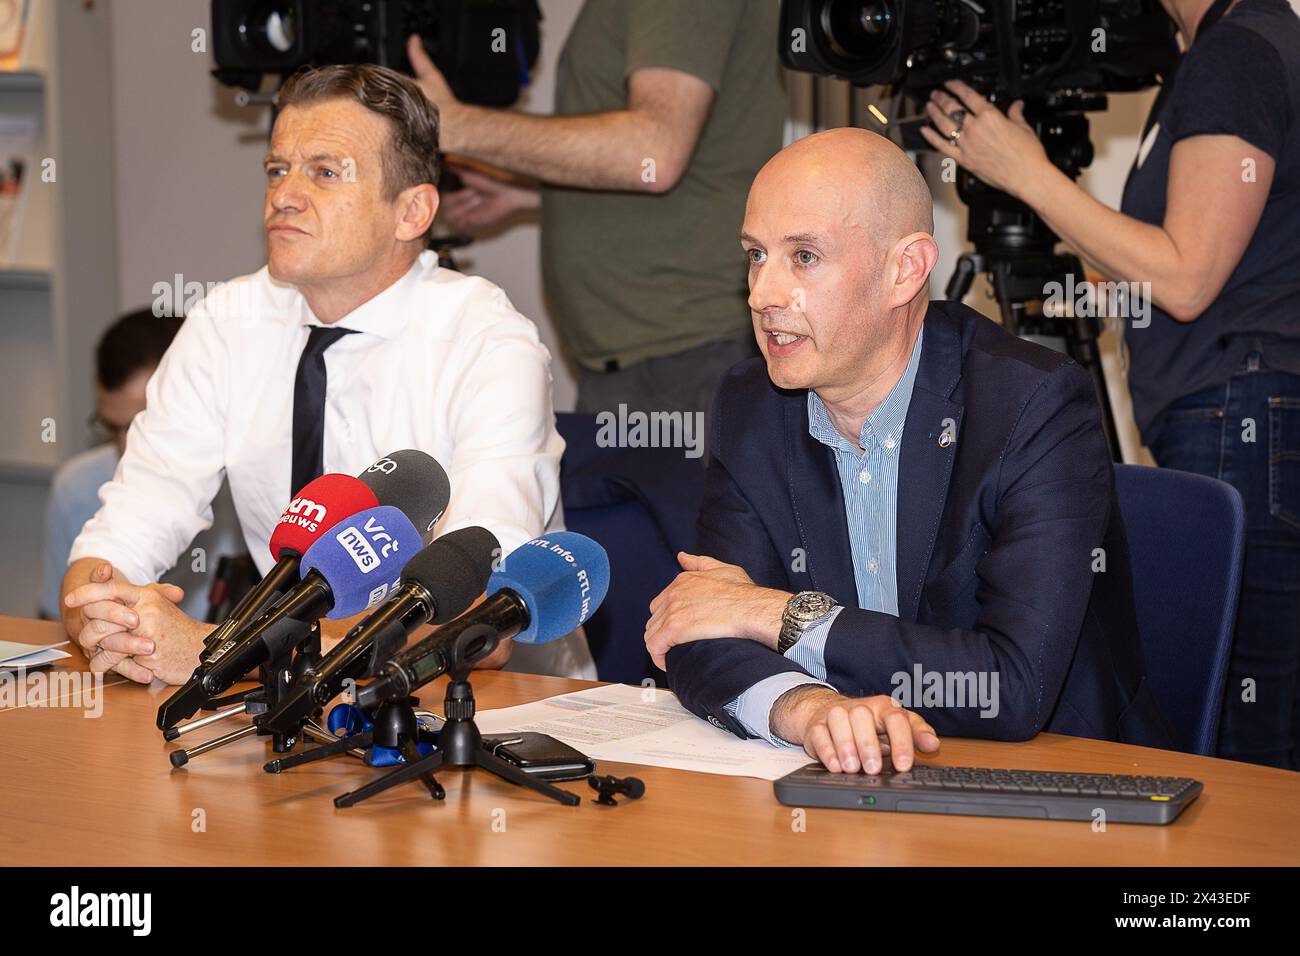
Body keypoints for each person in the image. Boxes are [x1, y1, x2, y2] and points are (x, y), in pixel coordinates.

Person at [644, 129, 1171, 774]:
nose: (762, 294)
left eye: (804, 256)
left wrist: (775, 614)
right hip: (853, 782)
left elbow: (1009, 685)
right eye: (756, 255)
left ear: (906, 270)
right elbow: (701, 627)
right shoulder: (752, 403)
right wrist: (805, 708)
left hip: (1055, 788)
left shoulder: (1034, 405)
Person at [60, 63, 593, 685]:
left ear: (413, 211)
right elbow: (116, 540)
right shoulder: (227, 320)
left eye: (325, 171)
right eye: (277, 169)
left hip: (485, 707)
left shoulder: (491, 344)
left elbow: (477, 627)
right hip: (285, 696)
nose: (284, 193)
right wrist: (102, 615)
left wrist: (222, 651)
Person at [920, 0, 1300, 768]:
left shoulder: (1238, 49)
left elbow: (1187, 276)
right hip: (1240, 410)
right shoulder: (1223, 47)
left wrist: (1024, 173)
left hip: (1242, 411)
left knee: (1243, 744)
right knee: (1250, 727)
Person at [407, 0, 784, 428]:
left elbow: (654, 152)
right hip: (644, 356)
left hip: (683, 354)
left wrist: (457, 126)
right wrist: (532, 195)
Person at [39, 309, 241, 623]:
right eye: (111, 427)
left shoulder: (248, 488)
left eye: (144, 425)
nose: (125, 446)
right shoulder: (75, 487)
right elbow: (54, 622)